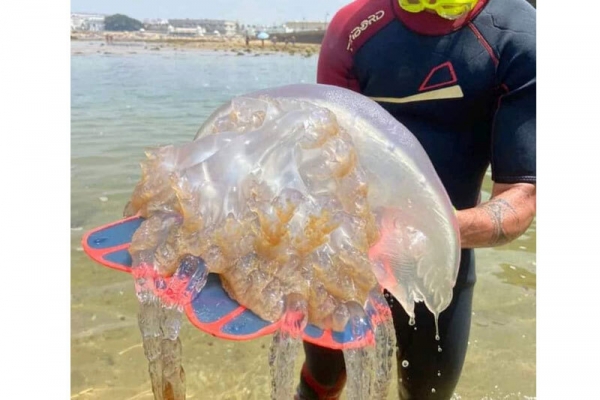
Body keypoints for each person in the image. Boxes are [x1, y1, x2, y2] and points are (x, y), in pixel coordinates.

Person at [296, 0, 536, 399]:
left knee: (426, 393)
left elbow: (519, 199)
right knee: (321, 380)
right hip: (343, 253)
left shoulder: (518, 35)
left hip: (439, 259)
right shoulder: (354, 26)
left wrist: (422, 229)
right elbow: (322, 161)